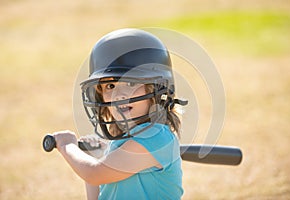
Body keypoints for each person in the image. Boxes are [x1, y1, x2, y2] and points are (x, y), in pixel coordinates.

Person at [52, 28, 188, 200]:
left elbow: (94, 173)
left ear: (157, 89)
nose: (119, 95)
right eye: (110, 86)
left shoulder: (155, 138)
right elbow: (97, 186)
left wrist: (67, 146)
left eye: (131, 83)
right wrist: (97, 157)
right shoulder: (125, 143)